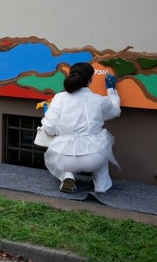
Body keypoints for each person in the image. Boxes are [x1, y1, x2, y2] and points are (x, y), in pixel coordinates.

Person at [40, 62, 121, 193]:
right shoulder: (98, 100)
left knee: (61, 152)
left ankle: (67, 176)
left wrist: (48, 115)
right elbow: (115, 110)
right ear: (91, 80)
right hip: (94, 158)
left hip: (64, 158)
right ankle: (101, 185)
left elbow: (49, 128)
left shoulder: (59, 98)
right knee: (103, 139)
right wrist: (111, 90)